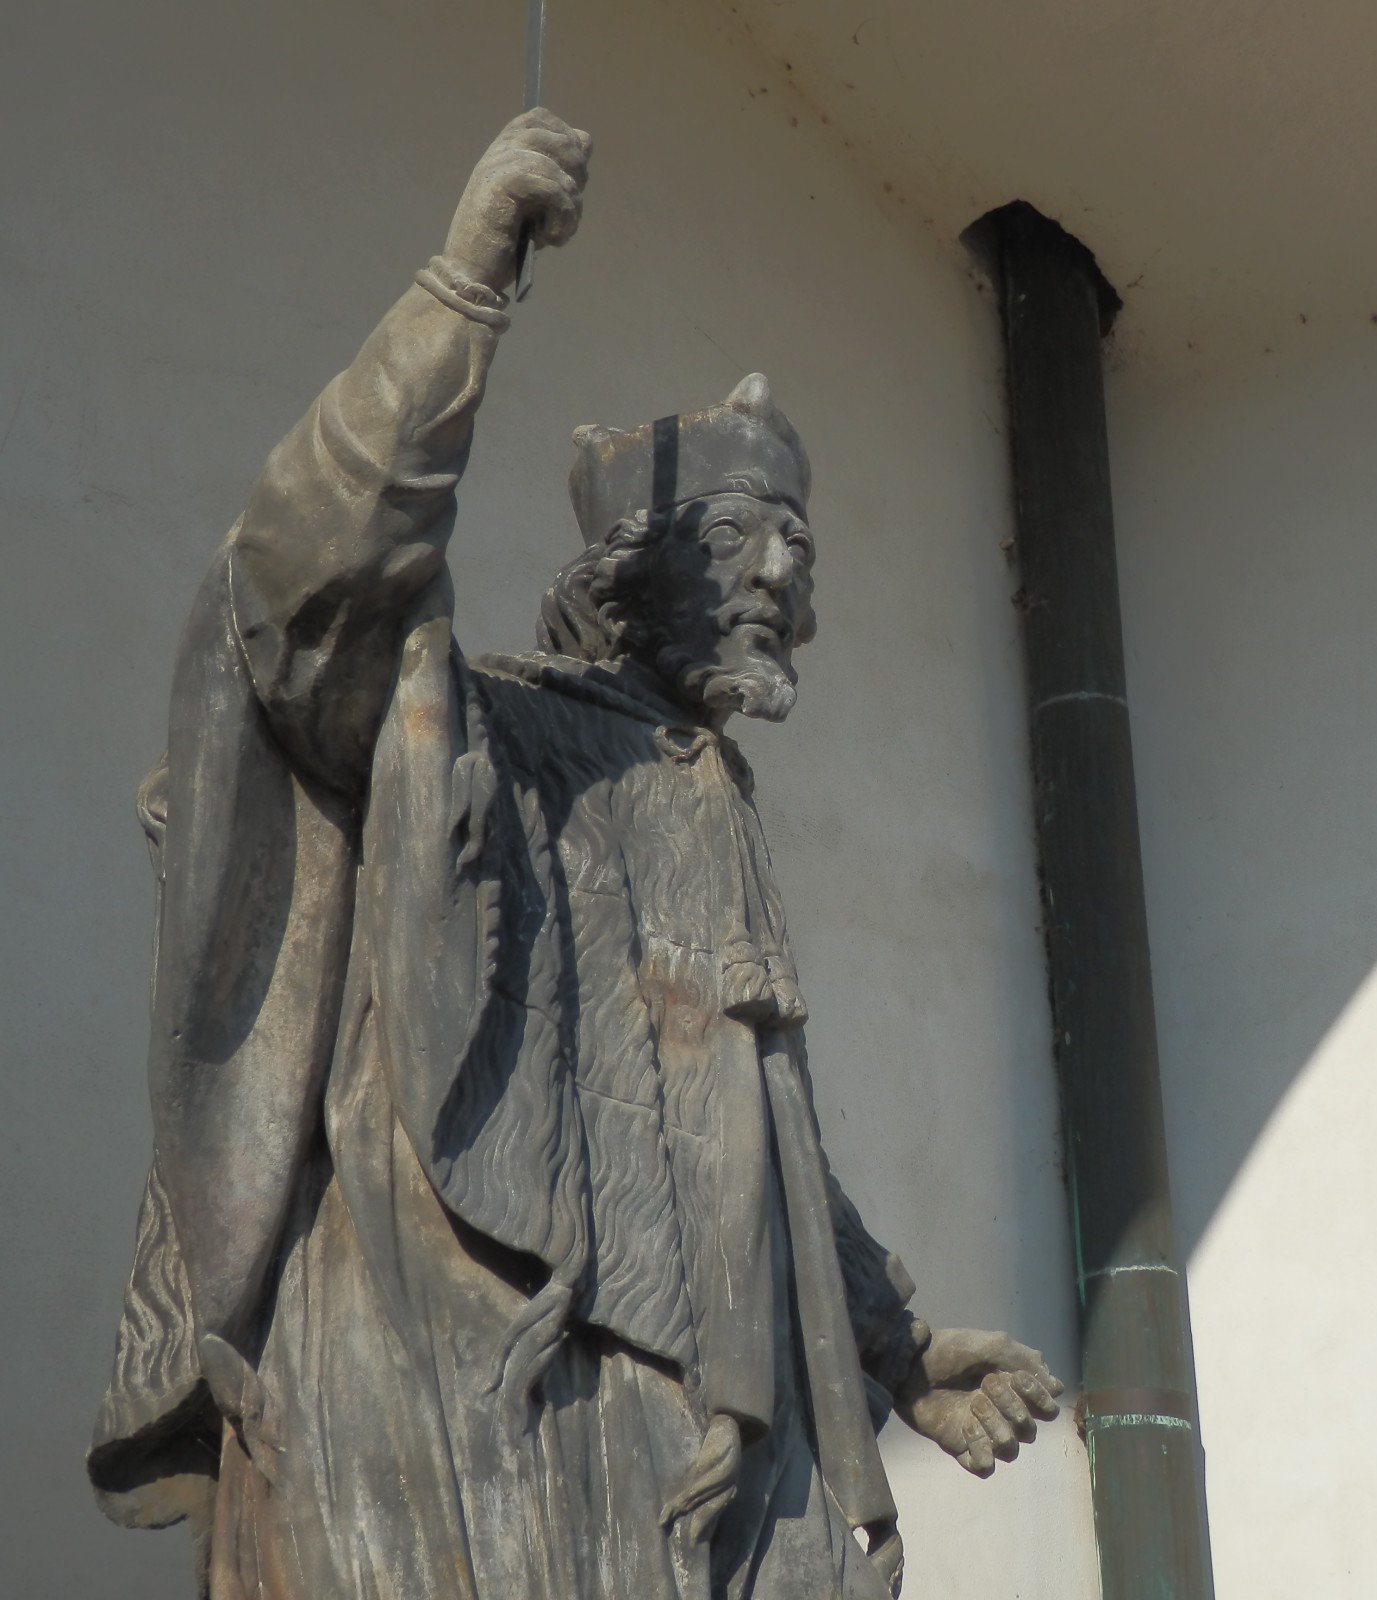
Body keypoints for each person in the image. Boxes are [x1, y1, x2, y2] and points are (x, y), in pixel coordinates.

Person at [87, 109, 1062, 1600]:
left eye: (797, 548)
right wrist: (466, 282)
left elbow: (742, 1116)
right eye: (738, 540)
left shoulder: (703, 793)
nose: (783, 577)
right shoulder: (473, 731)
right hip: (449, 1375)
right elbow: (301, 589)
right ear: (626, 580)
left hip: (665, 1415)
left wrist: (888, 1342)